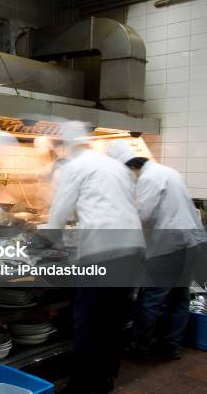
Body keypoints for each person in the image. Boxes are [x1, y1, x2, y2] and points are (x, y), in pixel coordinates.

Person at [42, 123, 145, 394]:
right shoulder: (115, 166)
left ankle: (81, 387)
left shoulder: (74, 167)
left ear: (67, 146)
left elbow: (58, 215)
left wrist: (38, 245)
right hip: (132, 250)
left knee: (89, 321)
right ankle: (106, 378)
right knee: (112, 320)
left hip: (103, 253)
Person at [107, 140, 207, 360]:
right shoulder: (168, 171)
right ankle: (171, 347)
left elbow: (144, 215)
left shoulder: (148, 178)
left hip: (170, 246)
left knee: (149, 298)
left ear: (131, 168)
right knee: (178, 298)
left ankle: (139, 347)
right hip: (191, 243)